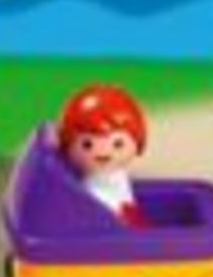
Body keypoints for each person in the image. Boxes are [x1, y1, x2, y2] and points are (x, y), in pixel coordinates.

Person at [57, 83, 149, 223]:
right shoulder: (90, 192)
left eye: (117, 144)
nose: (104, 152)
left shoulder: (117, 178)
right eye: (87, 145)